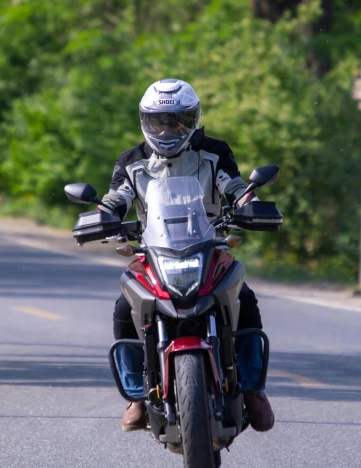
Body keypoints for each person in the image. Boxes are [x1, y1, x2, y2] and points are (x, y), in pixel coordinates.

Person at [98, 78, 275, 434]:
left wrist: (248, 204)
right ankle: (135, 396)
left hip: (209, 248)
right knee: (123, 307)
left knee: (246, 300)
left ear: (193, 120)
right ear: (145, 121)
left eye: (178, 120)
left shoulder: (214, 152)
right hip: (153, 251)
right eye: (159, 120)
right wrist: (101, 216)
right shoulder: (131, 161)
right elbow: (115, 197)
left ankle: (254, 388)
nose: (168, 128)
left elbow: (234, 186)